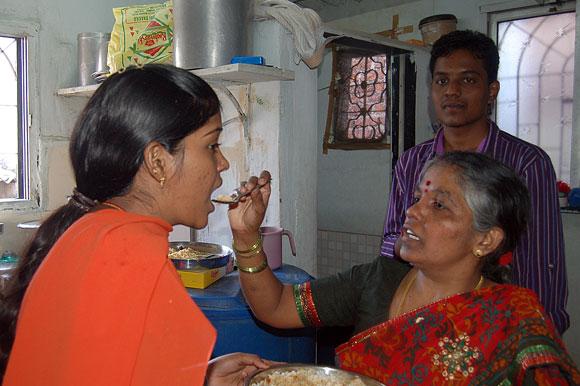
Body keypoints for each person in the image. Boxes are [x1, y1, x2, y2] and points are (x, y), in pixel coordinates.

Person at [0, 64, 272, 386]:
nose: (223, 162)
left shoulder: (92, 231)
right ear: (158, 161)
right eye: (211, 146)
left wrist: (201, 378)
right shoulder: (130, 254)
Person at [228, 152, 580, 385]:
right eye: (416, 199)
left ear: (486, 240)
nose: (412, 212)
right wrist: (245, 235)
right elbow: (274, 306)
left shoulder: (512, 320)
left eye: (439, 205)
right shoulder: (378, 279)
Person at [381, 29, 569, 334]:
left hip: (498, 330)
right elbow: (390, 238)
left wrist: (536, 336)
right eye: (442, 81)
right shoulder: (412, 162)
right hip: (424, 322)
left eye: (467, 80)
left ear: (491, 90)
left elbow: (540, 265)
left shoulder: (525, 163)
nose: (452, 91)